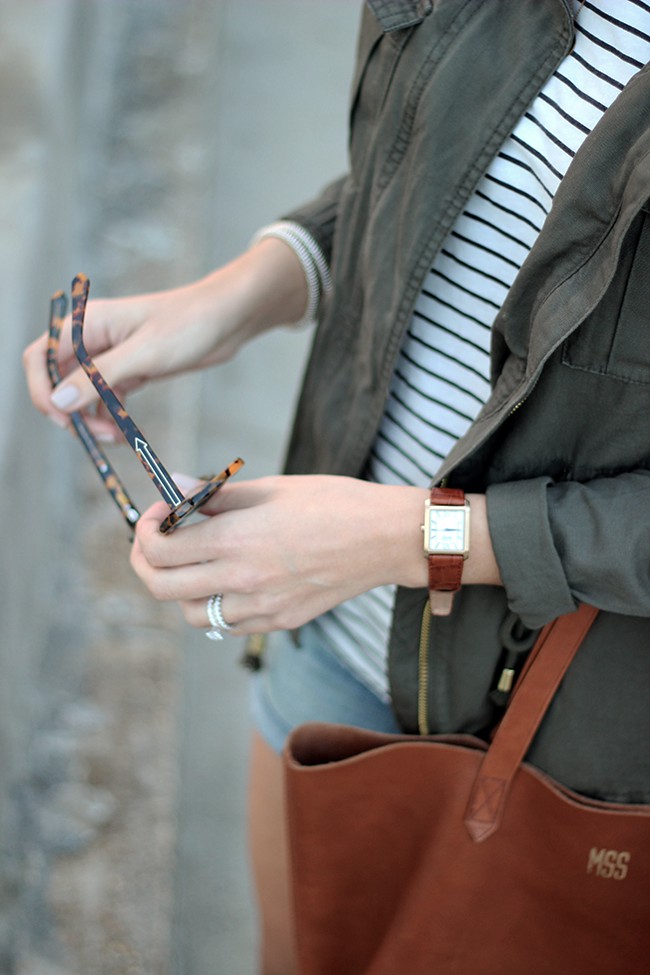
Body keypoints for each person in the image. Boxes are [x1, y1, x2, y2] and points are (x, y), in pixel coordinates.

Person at [24, 1, 650, 973]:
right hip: (332, 623)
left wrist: (410, 540)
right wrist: (236, 295)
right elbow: (432, 183)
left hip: (578, 746)